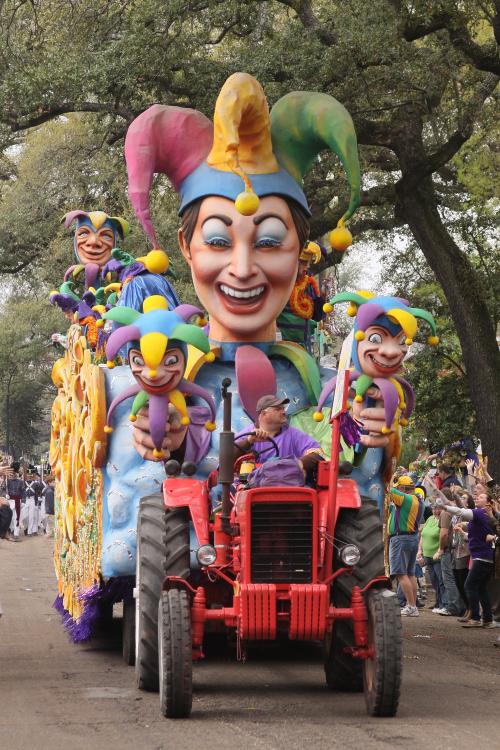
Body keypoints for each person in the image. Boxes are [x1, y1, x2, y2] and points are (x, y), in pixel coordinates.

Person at [438, 491, 495, 627]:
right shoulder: (482, 514)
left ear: (488, 502)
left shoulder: (480, 512)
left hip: (482, 557)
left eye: (481, 496)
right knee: (480, 588)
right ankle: (487, 619)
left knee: (469, 585)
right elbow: (476, 537)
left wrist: (445, 507)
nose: (477, 497)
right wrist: (463, 533)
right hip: (484, 556)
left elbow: (460, 511)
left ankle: (475, 618)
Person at [234, 394, 323, 473]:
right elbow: (226, 461)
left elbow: (317, 453)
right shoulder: (246, 435)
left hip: (285, 486)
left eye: (283, 408)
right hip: (251, 487)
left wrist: (295, 465)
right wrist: (248, 442)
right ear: (264, 413)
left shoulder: (294, 434)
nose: (284, 412)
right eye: (278, 409)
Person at [388, 475, 424, 616]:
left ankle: (411, 606)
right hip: (412, 538)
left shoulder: (405, 499)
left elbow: (389, 489)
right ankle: (413, 605)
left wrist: (390, 477)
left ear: (403, 488)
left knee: (401, 574)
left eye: (399, 488)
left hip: (401, 539)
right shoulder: (419, 500)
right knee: (410, 574)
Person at [433, 489, 465, 616]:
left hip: (448, 549)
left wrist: (441, 549)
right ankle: (461, 606)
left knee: (448, 579)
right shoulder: (455, 510)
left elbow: (444, 533)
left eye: (437, 497)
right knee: (455, 578)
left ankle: (454, 606)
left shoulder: (445, 513)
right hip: (455, 548)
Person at [417, 504, 449, 614]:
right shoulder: (430, 519)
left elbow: (443, 536)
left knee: (441, 581)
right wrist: (419, 550)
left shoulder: (444, 520)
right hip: (427, 555)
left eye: (438, 509)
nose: (436, 511)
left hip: (436, 556)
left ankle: (444, 604)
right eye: (434, 509)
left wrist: (439, 550)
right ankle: (438, 602)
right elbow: (423, 535)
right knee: (435, 582)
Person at [6, 465, 25, 539]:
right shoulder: (7, 481)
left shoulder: (20, 482)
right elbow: (3, 490)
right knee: (9, 516)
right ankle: (10, 530)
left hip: (17, 500)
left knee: (16, 517)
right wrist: (6, 494)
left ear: (16, 474)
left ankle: (16, 533)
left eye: (14, 474)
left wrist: (23, 501)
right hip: (10, 500)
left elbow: (23, 491)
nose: (13, 475)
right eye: (12, 474)